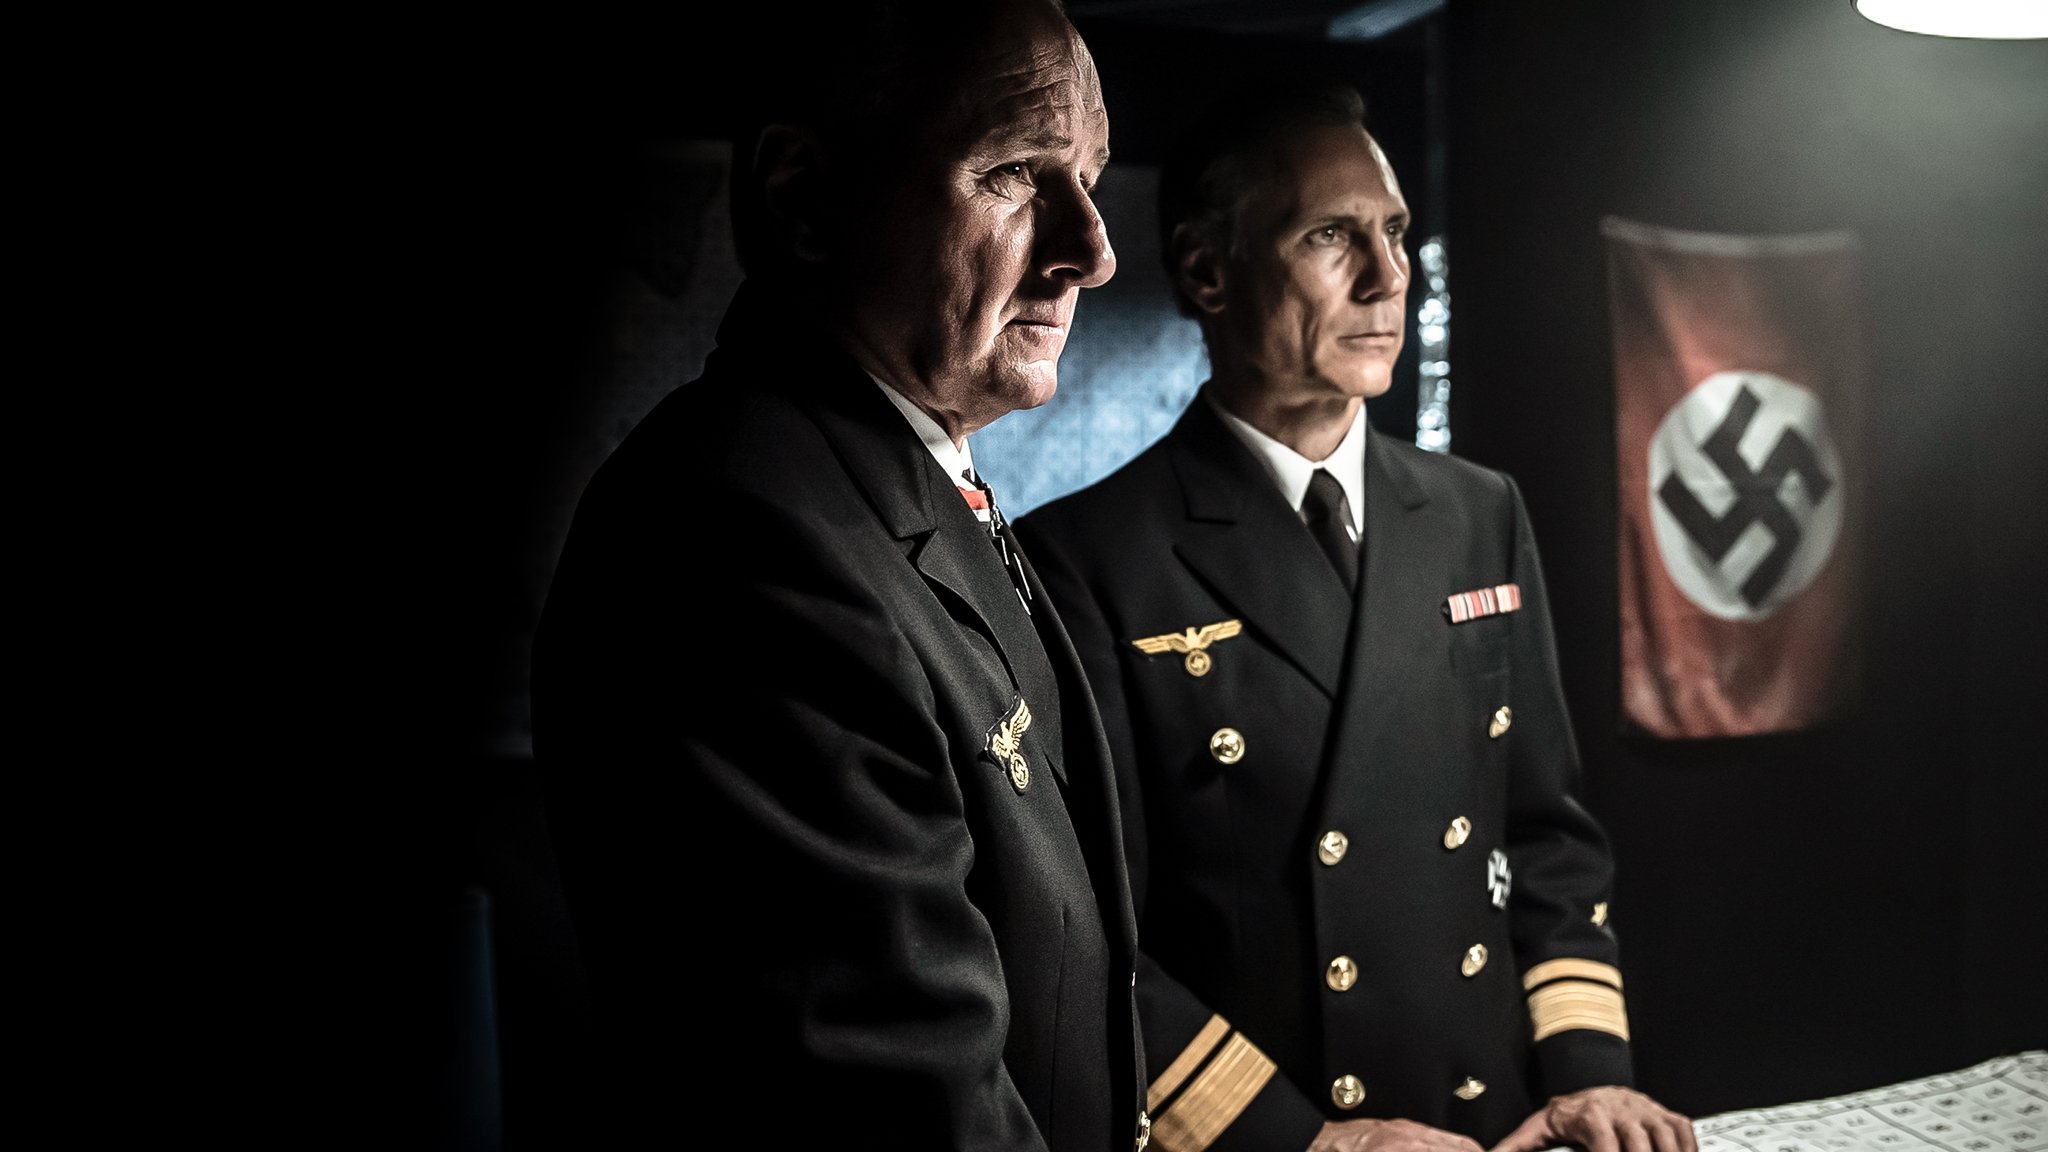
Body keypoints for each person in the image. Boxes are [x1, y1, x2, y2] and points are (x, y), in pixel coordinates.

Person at [1011, 76, 1695, 1152]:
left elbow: (1546, 837)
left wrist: (1587, 1075)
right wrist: (1306, 1143)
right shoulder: (1086, 558)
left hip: (1502, 1126)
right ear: (1205, 270)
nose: (1389, 277)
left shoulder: (1477, 512)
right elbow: (1092, 940)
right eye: (1331, 236)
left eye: (1395, 232)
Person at [529, 2, 1151, 1148]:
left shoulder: (887, 477)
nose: (1092, 248)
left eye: (1091, 176)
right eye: (1015, 173)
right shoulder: (740, 537)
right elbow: (900, 1105)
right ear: (806, 200)